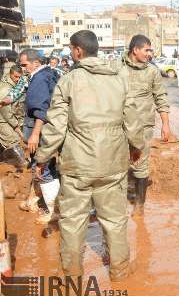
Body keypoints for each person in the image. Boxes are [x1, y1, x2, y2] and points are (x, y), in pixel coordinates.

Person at [34, 30, 144, 282]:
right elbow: (133, 120)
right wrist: (136, 147)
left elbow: (56, 126)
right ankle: (120, 274)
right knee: (115, 221)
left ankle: (72, 278)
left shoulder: (68, 81)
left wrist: (42, 159)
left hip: (77, 166)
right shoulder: (119, 79)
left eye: (71, 49)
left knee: (72, 223)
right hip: (113, 163)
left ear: (78, 51)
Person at [115, 35, 171, 216]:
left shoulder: (152, 72)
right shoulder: (117, 69)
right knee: (117, 164)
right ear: (135, 50)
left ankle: (139, 206)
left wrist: (165, 124)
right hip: (119, 127)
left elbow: (160, 97)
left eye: (151, 50)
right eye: (147, 50)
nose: (150, 54)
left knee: (141, 164)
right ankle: (116, 204)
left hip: (144, 127)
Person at [18, 48, 61, 224]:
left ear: (35, 63)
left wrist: (35, 134)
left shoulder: (39, 79)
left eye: (24, 65)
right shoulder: (49, 74)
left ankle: (54, 211)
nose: (22, 68)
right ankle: (33, 200)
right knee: (40, 165)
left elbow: (41, 110)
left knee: (43, 168)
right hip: (49, 130)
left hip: (40, 130)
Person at [0, 65, 26, 170]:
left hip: (5, 119)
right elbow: (5, 111)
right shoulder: (5, 89)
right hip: (2, 120)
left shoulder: (10, 84)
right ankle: (22, 167)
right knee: (13, 141)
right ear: (10, 74)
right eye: (16, 77)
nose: (18, 79)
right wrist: (15, 126)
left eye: (20, 77)